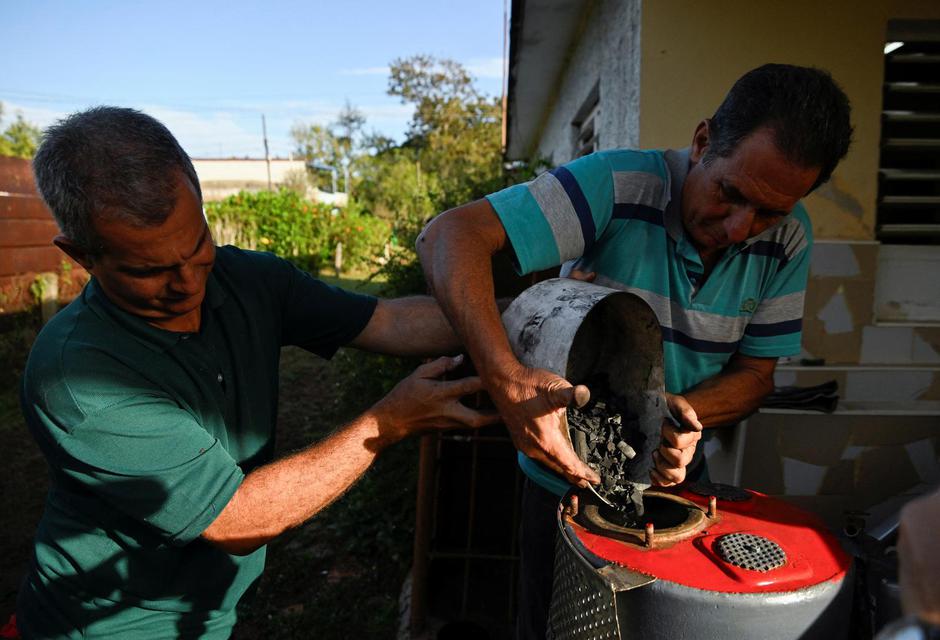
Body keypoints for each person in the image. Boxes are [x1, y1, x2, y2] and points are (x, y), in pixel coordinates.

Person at [16, 106, 496, 639]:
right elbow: (235, 519)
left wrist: (522, 316)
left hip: (206, 609)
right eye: (149, 270)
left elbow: (389, 321)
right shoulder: (77, 378)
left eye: (197, 246)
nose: (188, 283)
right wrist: (388, 421)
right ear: (81, 255)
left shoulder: (247, 279)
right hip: (112, 623)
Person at [416, 63, 853, 638]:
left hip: (679, 481)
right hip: (562, 484)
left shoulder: (790, 237)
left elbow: (755, 375)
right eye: (731, 194)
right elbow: (449, 236)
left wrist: (678, 416)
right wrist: (506, 381)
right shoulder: (618, 184)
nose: (740, 229)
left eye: (769, 212)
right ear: (702, 142)